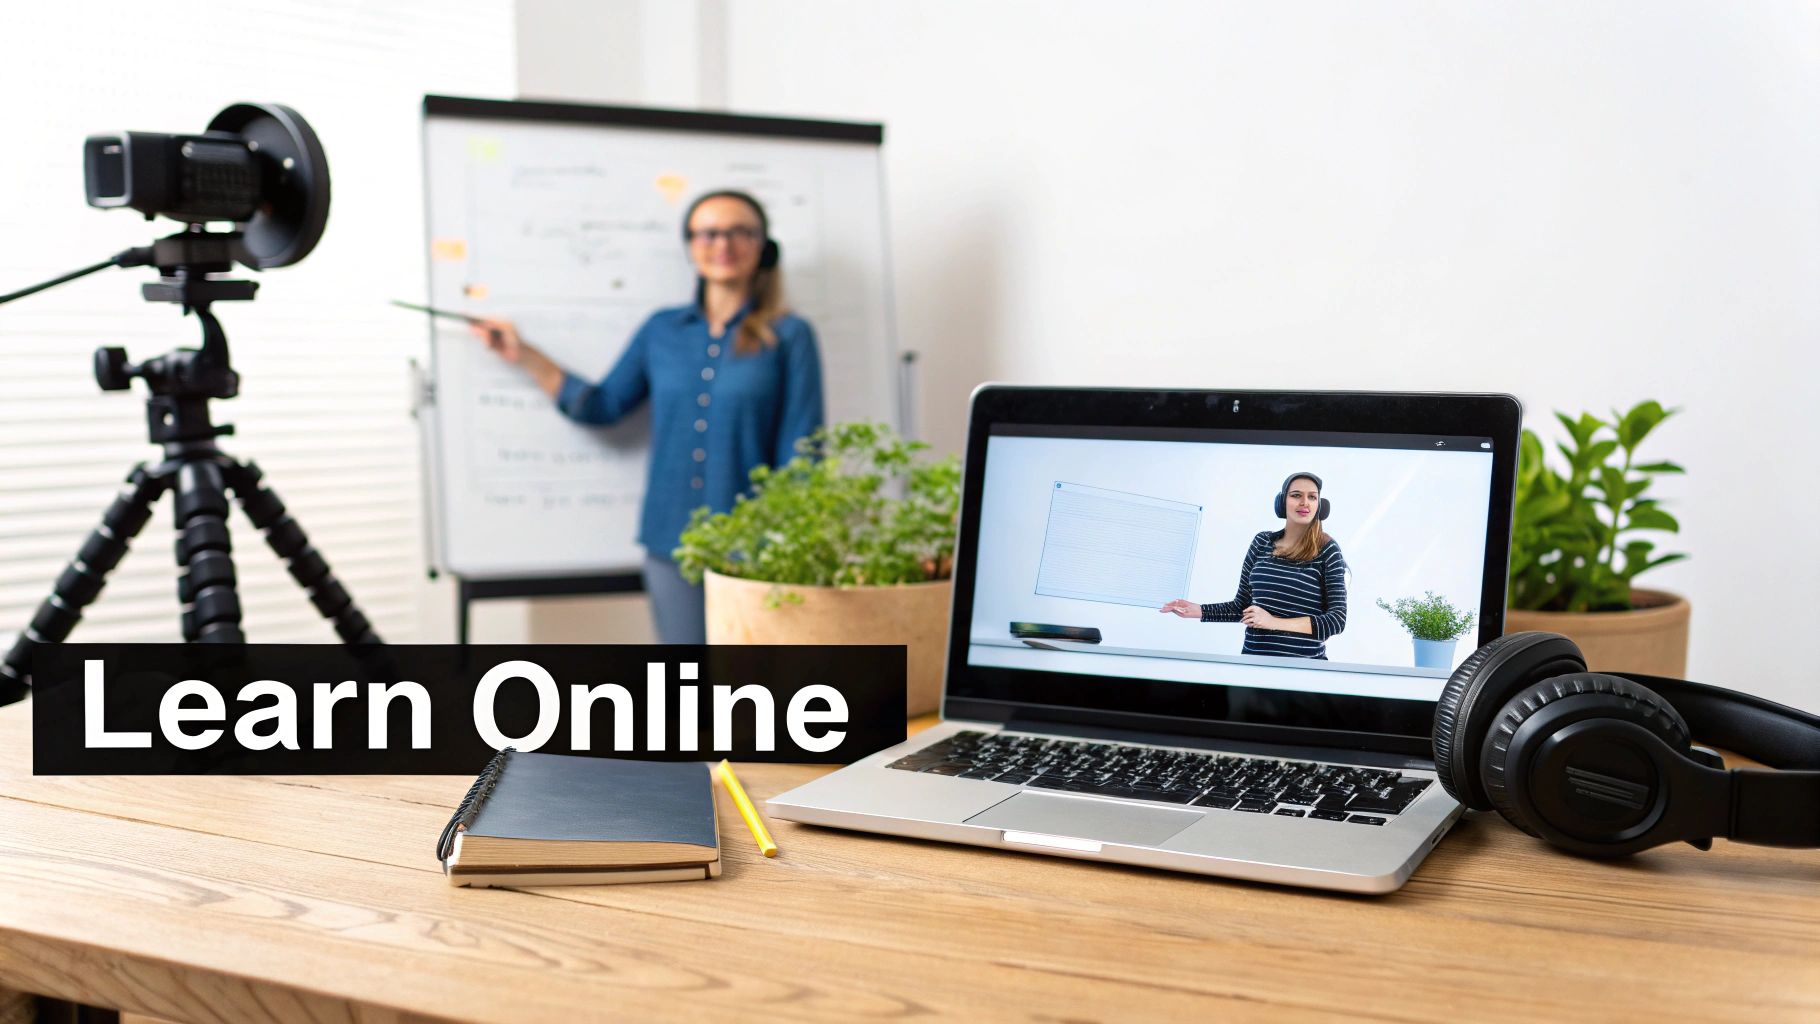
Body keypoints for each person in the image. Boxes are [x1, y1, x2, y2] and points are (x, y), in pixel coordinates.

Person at [470, 190, 824, 643]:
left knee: (752, 679)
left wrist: (788, 544)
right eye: (708, 233)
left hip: (757, 549)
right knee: (685, 682)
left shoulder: (790, 335)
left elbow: (803, 452)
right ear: (690, 245)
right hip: (670, 541)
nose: (723, 244)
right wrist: (525, 355)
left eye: (740, 232)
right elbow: (602, 405)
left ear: (764, 247)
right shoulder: (661, 330)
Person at [1160, 472, 1348, 658]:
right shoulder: (1261, 542)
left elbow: (1337, 621)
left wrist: (1273, 622)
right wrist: (1198, 610)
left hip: (1303, 669)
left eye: (1312, 497)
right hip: (1253, 664)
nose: (1304, 502)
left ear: (1320, 505)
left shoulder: (1328, 550)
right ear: (1282, 502)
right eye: (1296, 495)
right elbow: (1241, 607)